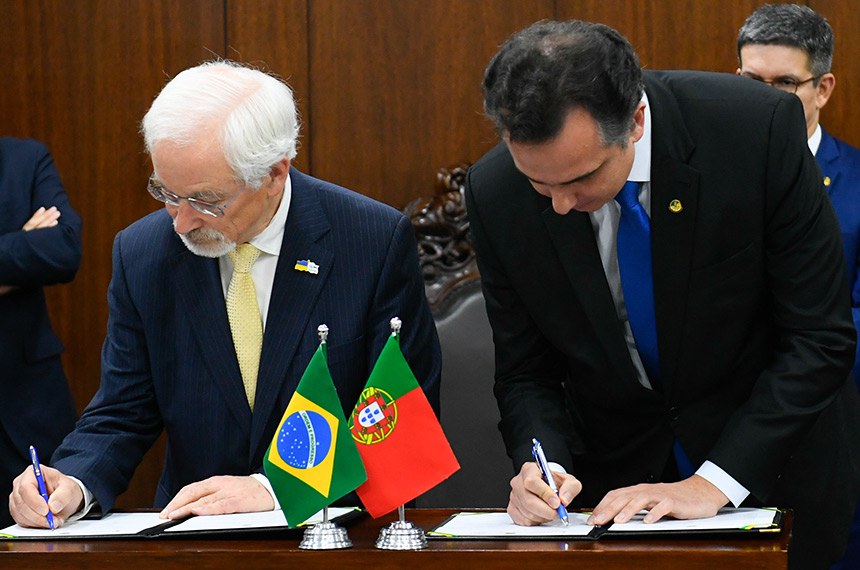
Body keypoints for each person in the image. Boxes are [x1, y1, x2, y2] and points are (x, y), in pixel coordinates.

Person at [465, 20, 860, 569]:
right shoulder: (495, 191)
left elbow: (819, 337)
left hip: (772, 476)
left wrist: (711, 483)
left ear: (635, 121)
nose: (558, 204)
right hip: (615, 497)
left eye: (579, 179)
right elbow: (526, 370)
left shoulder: (754, 130)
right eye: (540, 183)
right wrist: (543, 466)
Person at [8, 61, 441, 528]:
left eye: (206, 200)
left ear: (275, 173)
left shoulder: (370, 240)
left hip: (335, 534)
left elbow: (394, 420)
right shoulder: (144, 252)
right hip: (195, 540)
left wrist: (273, 488)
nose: (181, 222)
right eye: (166, 192)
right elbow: (123, 409)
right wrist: (72, 483)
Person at [737, 6, 860, 568]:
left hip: (833, 431)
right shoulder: (703, 183)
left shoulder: (857, 181)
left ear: (823, 88)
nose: (765, 99)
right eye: (751, 82)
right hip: (723, 436)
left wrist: (792, 377)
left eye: (785, 84)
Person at [0, 138, 81, 529]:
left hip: (28, 401)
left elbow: (62, 250)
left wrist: (34, 245)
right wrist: (21, 242)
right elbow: (35, 252)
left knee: (50, 533)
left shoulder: (24, 158)